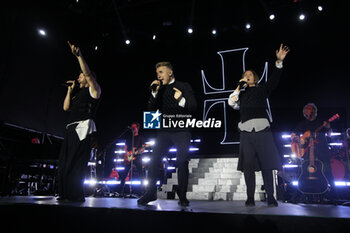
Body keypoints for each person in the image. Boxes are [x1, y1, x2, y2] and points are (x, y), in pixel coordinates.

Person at [228, 44, 290, 207]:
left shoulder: (262, 89)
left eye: (249, 75)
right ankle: (250, 197)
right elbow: (231, 103)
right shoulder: (240, 94)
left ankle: (270, 196)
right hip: (246, 132)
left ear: (255, 78)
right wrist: (238, 88)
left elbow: (274, 80)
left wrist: (278, 62)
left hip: (262, 130)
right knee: (248, 166)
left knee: (267, 164)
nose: (247, 76)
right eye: (244, 75)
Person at [137, 61, 197, 206]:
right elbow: (150, 111)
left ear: (170, 72)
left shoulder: (184, 86)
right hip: (164, 131)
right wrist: (154, 93)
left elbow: (194, 107)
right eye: (157, 73)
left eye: (161, 72)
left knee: (182, 161)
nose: (158, 76)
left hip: (182, 129)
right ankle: (150, 193)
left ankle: (182, 195)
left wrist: (181, 99)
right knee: (153, 161)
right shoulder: (159, 90)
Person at [57, 41, 101, 202]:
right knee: (65, 161)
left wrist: (79, 56)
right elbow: (65, 107)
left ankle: (74, 193)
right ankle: (64, 192)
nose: (79, 76)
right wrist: (70, 91)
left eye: (80, 74)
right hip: (70, 128)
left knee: (76, 161)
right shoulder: (78, 94)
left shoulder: (94, 90)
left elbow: (88, 74)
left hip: (82, 129)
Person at [290, 103, 337, 203]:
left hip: (322, 151)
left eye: (309, 109)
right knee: (306, 172)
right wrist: (300, 138)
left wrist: (328, 127)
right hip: (308, 152)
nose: (307, 110)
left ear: (314, 111)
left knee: (327, 172)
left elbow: (330, 134)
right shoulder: (302, 124)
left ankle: (333, 195)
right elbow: (293, 135)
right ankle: (305, 193)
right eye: (305, 109)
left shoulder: (321, 122)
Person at [118, 122, 144, 196]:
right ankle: (121, 191)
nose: (132, 129)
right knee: (124, 174)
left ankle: (142, 192)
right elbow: (125, 147)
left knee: (141, 174)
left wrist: (138, 152)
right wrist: (127, 153)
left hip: (137, 157)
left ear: (137, 128)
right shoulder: (129, 137)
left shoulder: (140, 137)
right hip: (129, 157)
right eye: (132, 127)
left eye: (134, 127)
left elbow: (142, 148)